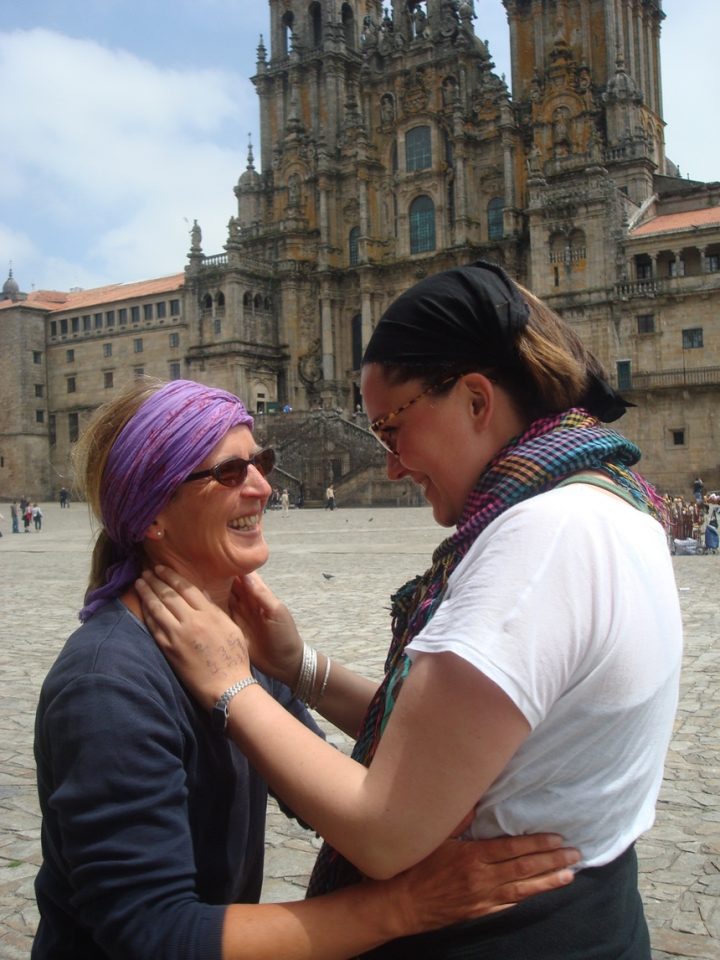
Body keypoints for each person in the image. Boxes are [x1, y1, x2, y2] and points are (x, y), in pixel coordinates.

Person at [138, 261, 682, 959]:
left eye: (391, 429)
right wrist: (297, 668)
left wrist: (231, 685)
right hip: (591, 915)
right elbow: (453, 743)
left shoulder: (540, 541)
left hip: (500, 935)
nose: (391, 463)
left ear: (476, 400)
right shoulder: (609, 503)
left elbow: (386, 830)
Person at [33, 377, 579, 960]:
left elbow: (323, 791)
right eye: (229, 472)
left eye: (260, 462)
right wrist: (404, 907)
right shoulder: (107, 686)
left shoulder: (234, 641)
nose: (263, 486)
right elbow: (155, 935)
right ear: (152, 514)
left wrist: (295, 668)